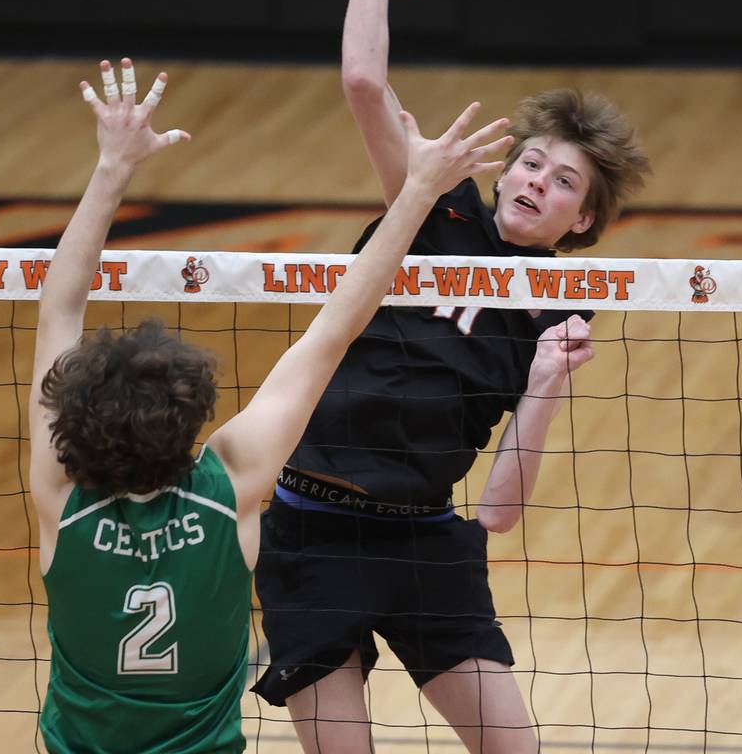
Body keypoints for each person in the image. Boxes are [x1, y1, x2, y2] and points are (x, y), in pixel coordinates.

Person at [252, 0, 651, 754]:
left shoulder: (558, 309)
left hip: (429, 544)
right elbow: (361, 80)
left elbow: (504, 508)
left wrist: (549, 384)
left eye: (563, 184)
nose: (533, 183)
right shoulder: (434, 204)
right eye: (531, 163)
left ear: (580, 224)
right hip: (313, 530)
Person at [29, 58, 510, 753]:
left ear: (76, 424)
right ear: (187, 419)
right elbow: (336, 327)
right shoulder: (228, 489)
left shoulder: (62, 501)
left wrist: (111, 167)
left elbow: (57, 308)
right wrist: (419, 193)